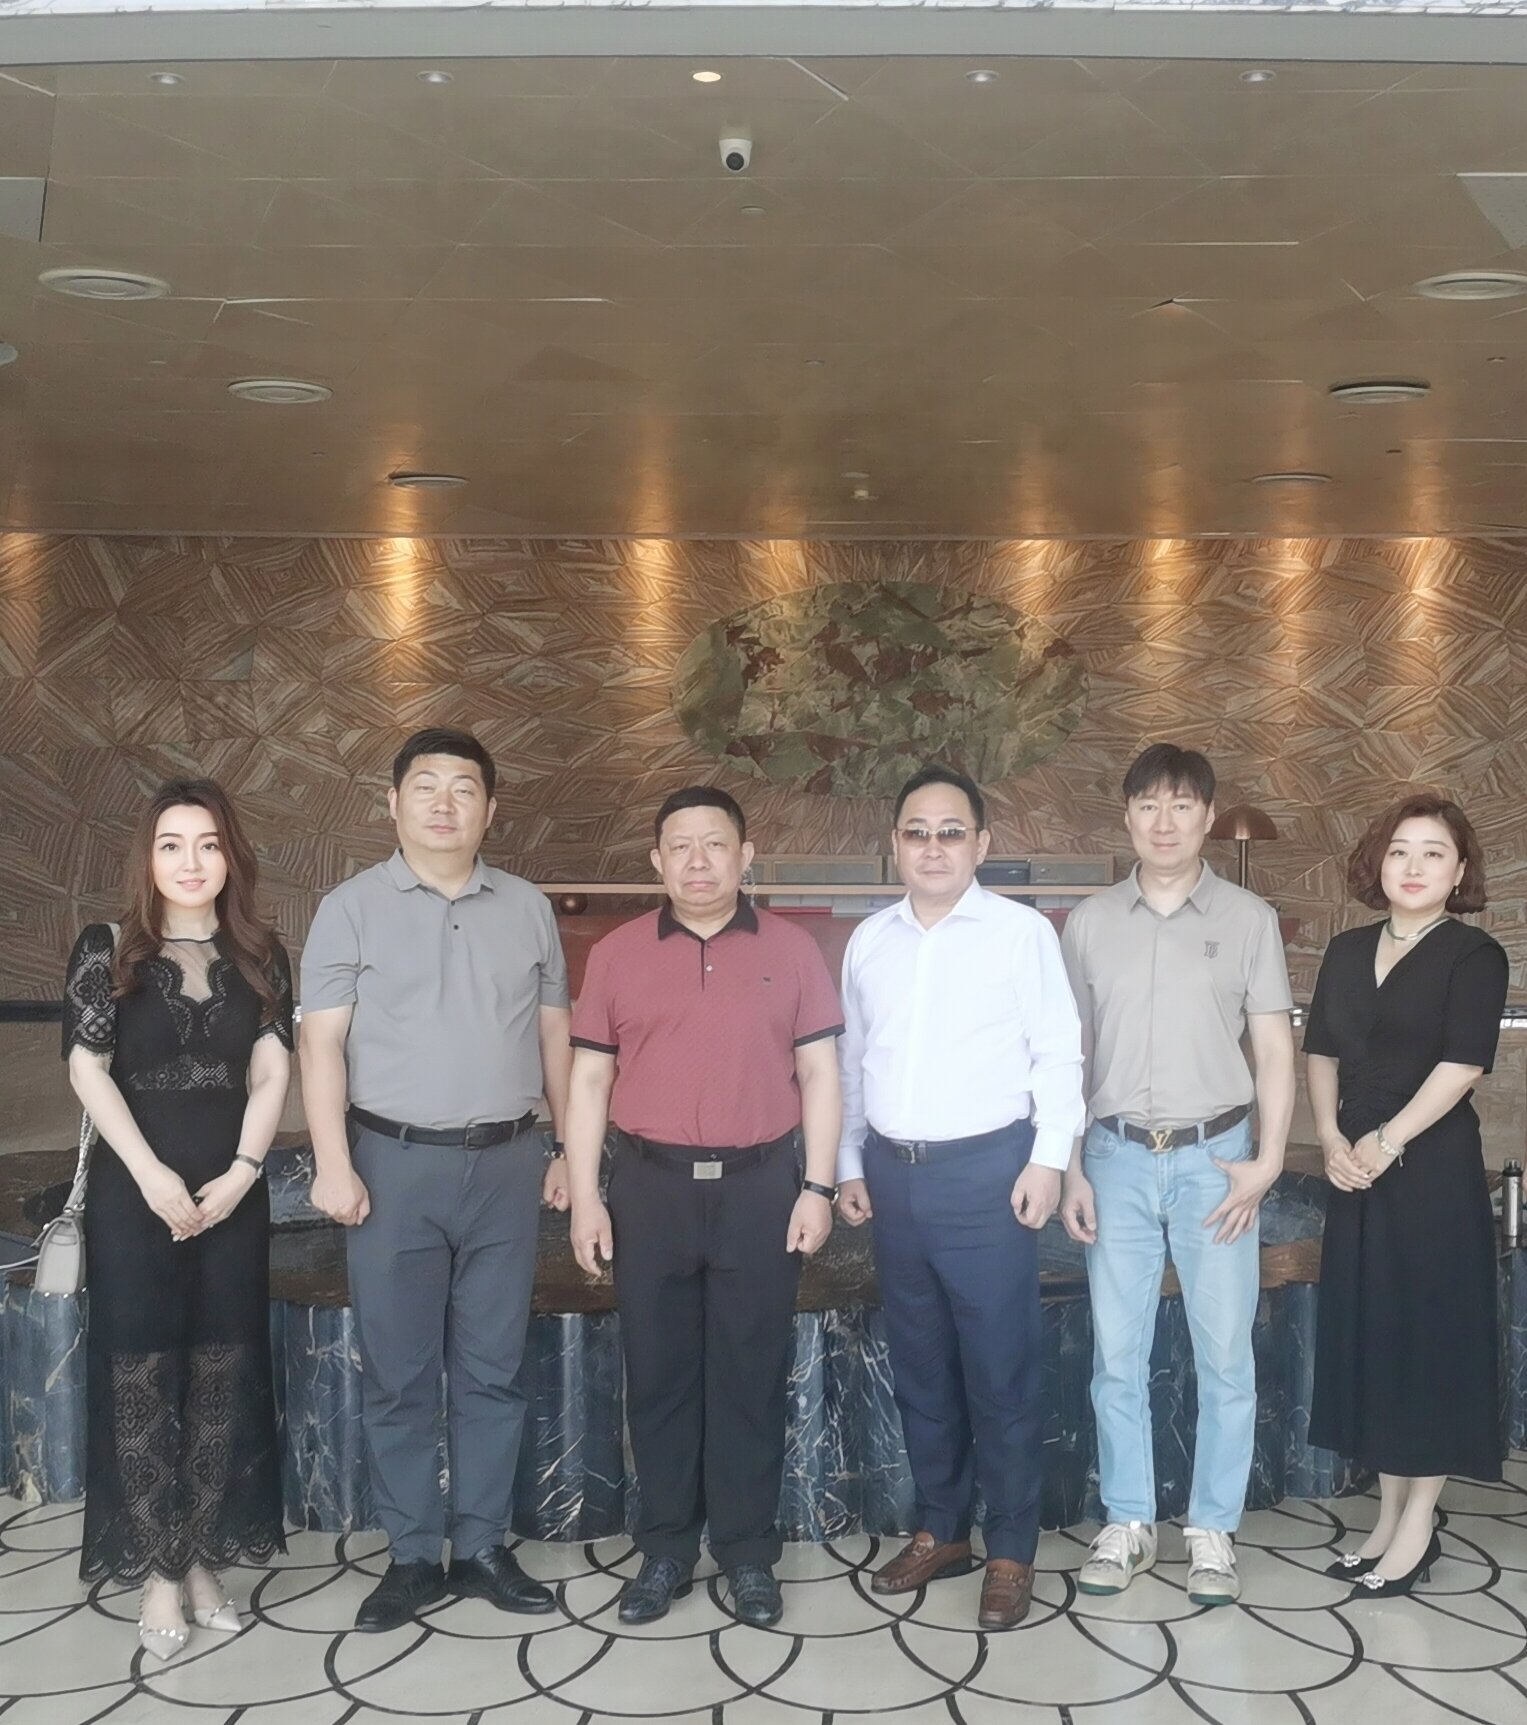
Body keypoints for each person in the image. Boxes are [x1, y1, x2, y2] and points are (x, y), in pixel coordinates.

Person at [300, 726, 572, 1632]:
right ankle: (414, 1554)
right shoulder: (348, 908)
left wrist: (569, 1148)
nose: (445, 803)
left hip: (506, 1163)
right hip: (391, 1165)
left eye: (464, 787)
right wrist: (333, 1161)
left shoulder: (528, 907)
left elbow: (554, 1036)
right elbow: (320, 1043)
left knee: (493, 1368)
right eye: (426, 785)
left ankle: (483, 1545)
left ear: (490, 808)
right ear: (393, 802)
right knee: (400, 1373)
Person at [566, 786, 843, 1629]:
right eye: (679, 845)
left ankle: (748, 1552)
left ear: (744, 855)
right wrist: (585, 1194)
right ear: (656, 860)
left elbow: (820, 1073)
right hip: (648, 1187)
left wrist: (817, 1185)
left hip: (761, 1186)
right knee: (657, 1374)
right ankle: (664, 1548)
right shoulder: (615, 953)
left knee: (749, 1375)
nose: (697, 860)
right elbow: (589, 1079)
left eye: (714, 844)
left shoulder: (793, 949)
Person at [835, 764, 1084, 1630]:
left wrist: (1047, 1160)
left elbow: (1057, 1051)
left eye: (951, 831)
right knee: (920, 1366)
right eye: (916, 831)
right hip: (893, 1175)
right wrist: (848, 1161)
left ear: (981, 843)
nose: (933, 847)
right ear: (893, 844)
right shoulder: (868, 941)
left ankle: (1010, 1547)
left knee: (999, 1369)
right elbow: (852, 1062)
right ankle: (942, 1528)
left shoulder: (1020, 934)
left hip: (988, 1174)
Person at [1059, 744, 1294, 1607]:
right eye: (1148, 805)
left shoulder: (1248, 918)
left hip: (1215, 1161)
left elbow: (1273, 1048)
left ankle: (1210, 1526)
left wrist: (1268, 1160)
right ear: (1126, 815)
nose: (1164, 822)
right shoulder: (1088, 922)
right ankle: (1127, 1519)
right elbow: (1067, 1055)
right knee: (1116, 1353)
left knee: (1223, 1351)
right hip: (1114, 1157)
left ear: (1206, 815)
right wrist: (1070, 1164)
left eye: (1182, 805)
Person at [62, 779, 291, 1661]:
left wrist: (243, 1171)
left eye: (207, 843)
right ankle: (161, 1569)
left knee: (219, 1375)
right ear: (147, 857)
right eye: (171, 843)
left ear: (230, 855)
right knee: (142, 1377)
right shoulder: (108, 947)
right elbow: (88, 1069)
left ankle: (196, 1555)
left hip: (232, 1196)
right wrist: (152, 1174)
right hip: (136, 1195)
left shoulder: (262, 953)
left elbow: (271, 1073)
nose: (190, 861)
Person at [1306, 794, 1508, 1600]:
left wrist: (1386, 1141)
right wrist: (1329, 1137)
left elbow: (1463, 1064)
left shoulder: (1473, 954)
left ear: (1458, 871)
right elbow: (1320, 1050)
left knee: (1426, 1341)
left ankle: (1418, 1521)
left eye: (1433, 852)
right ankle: (1386, 1516)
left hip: (1428, 1171)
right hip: (1353, 1169)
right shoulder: (1346, 949)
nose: (1413, 865)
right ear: (1377, 863)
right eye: (1398, 850)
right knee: (1378, 1337)